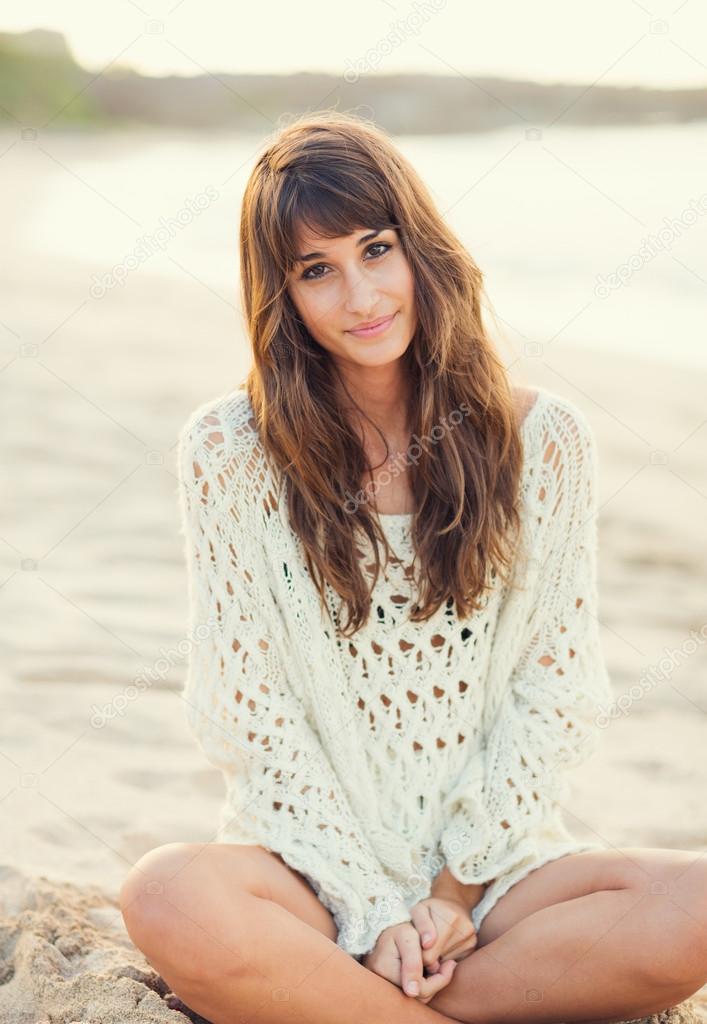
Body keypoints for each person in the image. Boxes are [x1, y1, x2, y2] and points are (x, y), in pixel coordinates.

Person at [119, 111, 707, 1024]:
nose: (360, 296)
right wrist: (371, 903)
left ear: (420, 248)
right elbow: (248, 709)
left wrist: (447, 893)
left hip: (492, 879)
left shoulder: (541, 442)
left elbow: (555, 694)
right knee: (164, 895)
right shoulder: (227, 452)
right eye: (316, 271)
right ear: (281, 297)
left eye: (375, 249)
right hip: (305, 874)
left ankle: (345, 1009)